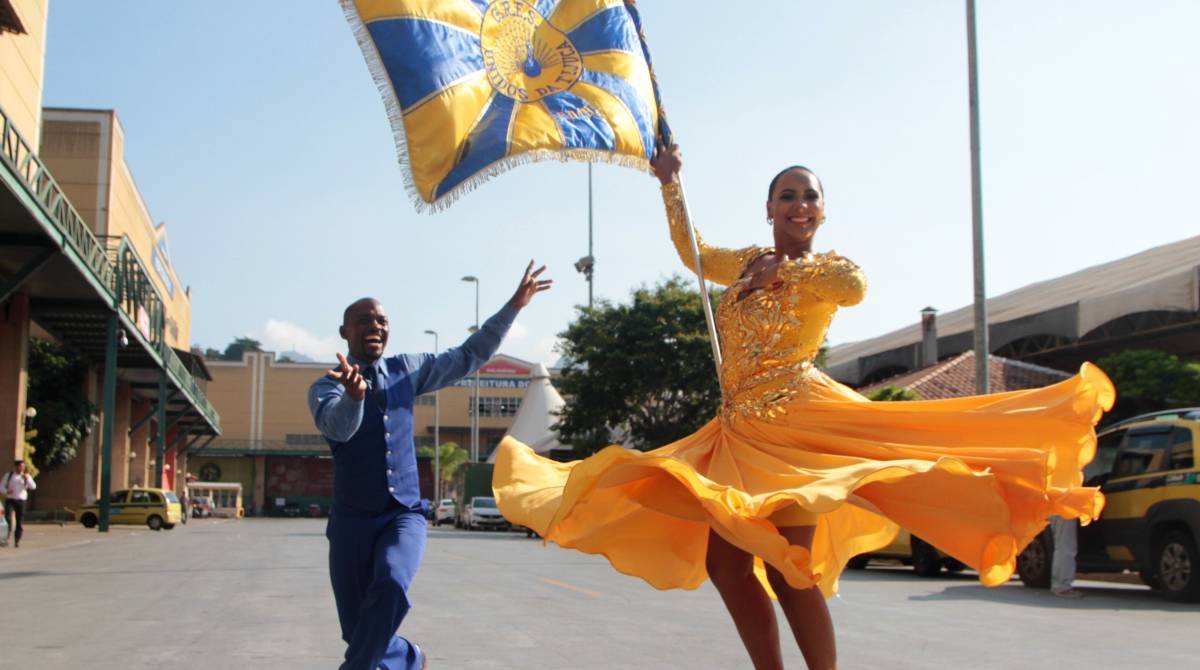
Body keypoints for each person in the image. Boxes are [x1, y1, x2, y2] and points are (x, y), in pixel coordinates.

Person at [493, 145, 1114, 670]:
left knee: (792, 567)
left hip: (795, 427)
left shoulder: (827, 269)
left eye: (810, 197)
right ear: (768, 209)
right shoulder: (743, 262)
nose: (800, 206)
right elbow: (693, 252)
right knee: (725, 563)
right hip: (736, 431)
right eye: (788, 197)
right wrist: (669, 183)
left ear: (822, 211)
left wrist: (782, 277)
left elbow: (855, 288)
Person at [310, 261, 551, 670]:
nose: (375, 326)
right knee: (360, 632)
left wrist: (514, 305)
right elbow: (338, 428)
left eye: (382, 320)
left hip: (402, 515)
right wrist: (354, 397)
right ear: (345, 332)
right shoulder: (327, 386)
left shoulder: (407, 369)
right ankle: (409, 656)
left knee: (391, 584)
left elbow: (469, 354)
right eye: (364, 320)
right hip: (351, 521)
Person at [1, 459, 37, 548]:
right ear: (16, 467)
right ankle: (7, 535)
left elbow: (33, 486)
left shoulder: (26, 476)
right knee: (8, 518)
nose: (22, 468)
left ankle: (17, 540)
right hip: (10, 499)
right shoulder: (9, 475)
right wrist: (6, 491)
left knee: (19, 521)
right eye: (20, 466)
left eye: (23, 467)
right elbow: (1, 487)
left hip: (21, 500)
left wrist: (27, 479)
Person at [1050, 515, 1082, 598]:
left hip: (1060, 510)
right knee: (1065, 547)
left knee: (1063, 547)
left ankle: (1060, 585)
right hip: (1065, 510)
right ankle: (1061, 587)